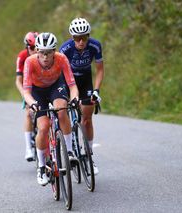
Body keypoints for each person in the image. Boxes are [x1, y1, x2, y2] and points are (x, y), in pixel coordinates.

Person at [23, 32, 79, 186]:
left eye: (49, 53)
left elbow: (72, 85)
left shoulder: (61, 58)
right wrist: (32, 103)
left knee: (61, 110)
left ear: (54, 51)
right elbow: (26, 92)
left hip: (56, 85)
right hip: (37, 91)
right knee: (43, 126)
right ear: (37, 51)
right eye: (41, 52)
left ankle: (69, 151)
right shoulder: (30, 62)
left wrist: (74, 98)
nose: (45, 57)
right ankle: (41, 167)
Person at [59, 18, 104, 175]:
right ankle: (67, 148)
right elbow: (60, 72)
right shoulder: (65, 49)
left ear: (88, 36)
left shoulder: (95, 45)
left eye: (84, 37)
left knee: (87, 118)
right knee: (62, 111)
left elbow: (99, 70)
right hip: (69, 81)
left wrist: (97, 90)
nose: (80, 41)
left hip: (85, 81)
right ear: (72, 38)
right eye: (77, 38)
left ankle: (89, 156)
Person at [15, 31, 39, 161]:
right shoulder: (22, 56)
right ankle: (28, 148)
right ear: (26, 47)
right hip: (28, 87)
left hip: (41, 84)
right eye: (31, 48)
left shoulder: (42, 55)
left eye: (36, 47)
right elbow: (18, 80)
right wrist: (25, 95)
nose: (34, 50)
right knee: (29, 113)